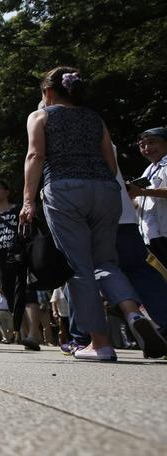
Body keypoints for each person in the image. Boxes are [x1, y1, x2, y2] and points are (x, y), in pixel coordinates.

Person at [20, 67, 167, 360]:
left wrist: (28, 200)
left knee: (78, 266)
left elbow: (35, 155)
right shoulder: (94, 118)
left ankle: (99, 343)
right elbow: (111, 165)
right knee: (107, 262)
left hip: (63, 189)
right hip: (105, 191)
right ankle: (136, 316)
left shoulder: (40, 116)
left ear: (47, 93)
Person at [0, 179, 42, 351]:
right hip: (1, 259)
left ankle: (33, 336)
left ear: (7, 191)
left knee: (28, 292)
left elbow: (33, 230)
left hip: (23, 255)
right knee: (11, 295)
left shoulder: (18, 210)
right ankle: (24, 333)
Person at [128, 127, 167, 267]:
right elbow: (140, 201)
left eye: (152, 142)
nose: (147, 148)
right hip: (151, 235)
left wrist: (141, 192)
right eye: (142, 145)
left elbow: (144, 193)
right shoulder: (149, 170)